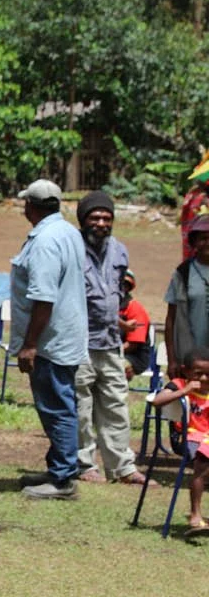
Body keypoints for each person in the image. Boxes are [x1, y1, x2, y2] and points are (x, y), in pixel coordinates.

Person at [7, 180, 89, 498]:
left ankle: (62, 478)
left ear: (32, 206)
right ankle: (59, 466)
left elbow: (44, 298)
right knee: (59, 401)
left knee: (56, 405)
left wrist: (30, 344)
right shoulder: (68, 232)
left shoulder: (44, 241)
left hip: (51, 339)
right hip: (65, 333)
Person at [73, 191, 144, 486]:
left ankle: (122, 467)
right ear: (83, 220)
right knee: (81, 407)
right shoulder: (72, 247)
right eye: (95, 217)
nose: (101, 223)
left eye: (106, 218)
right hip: (79, 341)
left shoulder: (119, 250)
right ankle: (84, 463)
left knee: (116, 404)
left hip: (111, 341)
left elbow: (114, 295)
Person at [148, 357, 209, 537]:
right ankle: (195, 513)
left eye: (208, 374)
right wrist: (185, 391)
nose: (204, 379)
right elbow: (157, 401)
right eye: (199, 374)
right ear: (186, 370)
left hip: (206, 438)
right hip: (186, 437)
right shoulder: (179, 384)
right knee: (203, 461)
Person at [164, 219, 209, 372]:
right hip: (190, 358)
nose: (207, 243)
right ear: (194, 242)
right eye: (203, 238)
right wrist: (171, 360)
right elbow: (171, 319)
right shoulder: (183, 273)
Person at [122, 269, 154, 376]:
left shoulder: (135, 309)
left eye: (124, 285)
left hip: (133, 356)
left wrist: (108, 352)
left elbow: (132, 345)